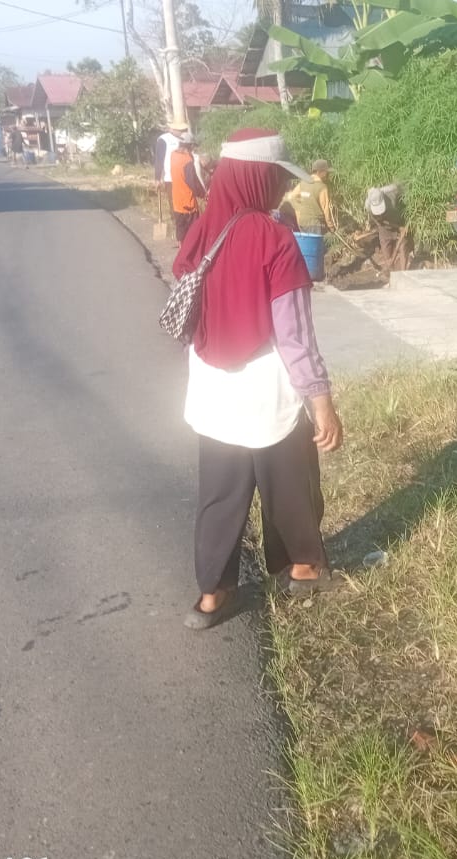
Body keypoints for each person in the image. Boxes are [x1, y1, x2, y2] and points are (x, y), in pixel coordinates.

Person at [172, 128, 344, 630]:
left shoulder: (202, 230)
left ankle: (212, 594)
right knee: (291, 482)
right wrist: (321, 400)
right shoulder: (274, 239)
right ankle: (303, 568)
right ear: (256, 178)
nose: (282, 188)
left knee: (219, 494)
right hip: (268, 388)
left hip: (213, 390)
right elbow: (295, 335)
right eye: (276, 177)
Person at [281, 158, 336, 235]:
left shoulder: (303, 183)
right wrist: (331, 226)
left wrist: (299, 211)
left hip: (302, 222)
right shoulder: (322, 187)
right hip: (315, 224)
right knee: (315, 243)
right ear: (320, 172)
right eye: (326, 172)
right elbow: (326, 209)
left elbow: (292, 197)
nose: (327, 175)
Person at [169, 133, 205, 242]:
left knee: (180, 229)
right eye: (192, 146)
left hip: (177, 200)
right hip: (188, 203)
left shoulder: (173, 155)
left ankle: (182, 249)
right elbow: (192, 181)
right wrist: (203, 194)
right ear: (189, 145)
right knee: (193, 232)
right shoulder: (187, 160)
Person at [366, 183, 408, 271]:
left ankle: (403, 273)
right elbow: (379, 222)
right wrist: (398, 227)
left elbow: (408, 207)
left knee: (403, 248)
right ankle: (392, 274)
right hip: (384, 228)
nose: (380, 214)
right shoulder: (368, 206)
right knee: (387, 257)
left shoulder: (393, 192)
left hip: (399, 220)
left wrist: (405, 225)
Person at [153, 122, 188, 212]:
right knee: (174, 205)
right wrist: (157, 178)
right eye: (180, 130)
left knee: (186, 204)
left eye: (183, 130)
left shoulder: (185, 139)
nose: (182, 132)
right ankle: (175, 219)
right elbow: (159, 159)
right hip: (171, 178)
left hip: (185, 177)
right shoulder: (164, 140)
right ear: (171, 129)